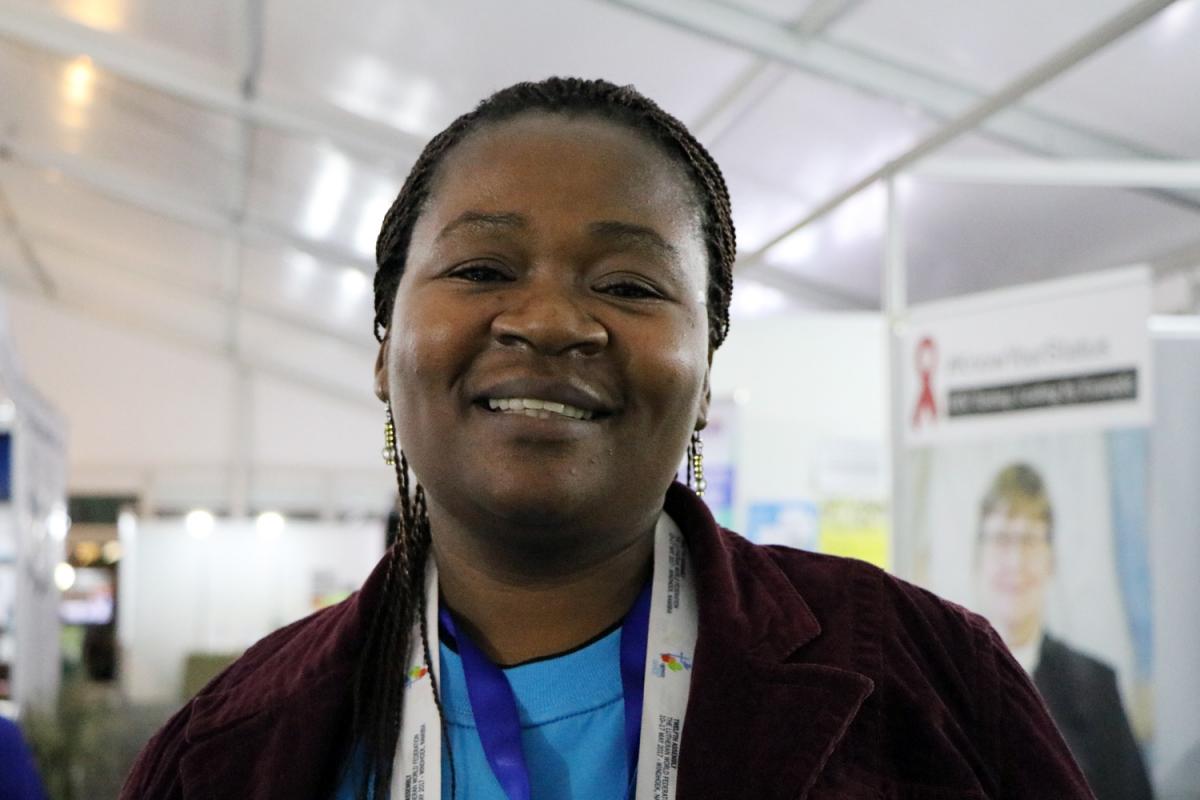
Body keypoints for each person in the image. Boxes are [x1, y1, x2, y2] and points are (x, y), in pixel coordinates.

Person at [120, 77, 1092, 799]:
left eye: (627, 285)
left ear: (706, 371)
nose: (549, 322)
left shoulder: (928, 680)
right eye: (483, 267)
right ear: (385, 350)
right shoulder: (224, 751)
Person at [975, 463, 1153, 800]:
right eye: (1000, 538)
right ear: (978, 557)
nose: (1015, 560)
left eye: (1029, 540)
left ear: (1051, 560)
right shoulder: (939, 682)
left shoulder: (1096, 686)